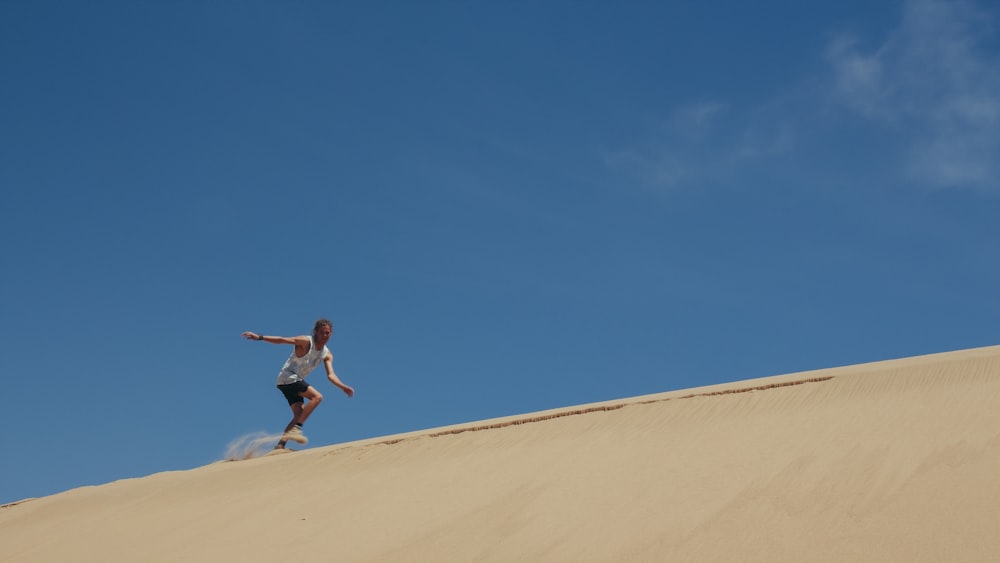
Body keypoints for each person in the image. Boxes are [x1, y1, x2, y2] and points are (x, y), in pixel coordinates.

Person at [242, 319, 354, 449]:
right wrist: (260, 337)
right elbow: (282, 340)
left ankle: (280, 445)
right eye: (322, 333)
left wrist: (342, 386)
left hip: (289, 382)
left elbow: (331, 375)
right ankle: (297, 428)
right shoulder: (306, 341)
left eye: (327, 333)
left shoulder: (326, 354)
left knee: (299, 414)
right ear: (316, 332)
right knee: (317, 397)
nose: (325, 336)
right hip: (288, 377)